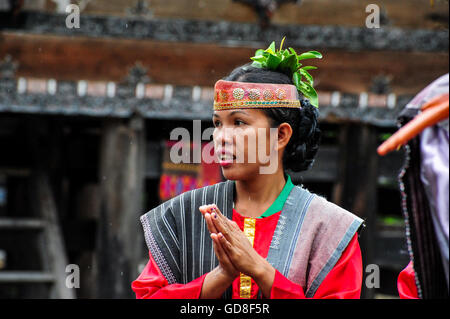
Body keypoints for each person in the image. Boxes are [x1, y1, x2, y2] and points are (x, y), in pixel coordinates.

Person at [132, 42, 364, 299]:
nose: (220, 137)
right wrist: (219, 277)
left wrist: (260, 270)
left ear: (280, 135)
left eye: (239, 122)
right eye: (218, 123)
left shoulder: (329, 229)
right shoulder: (181, 215)